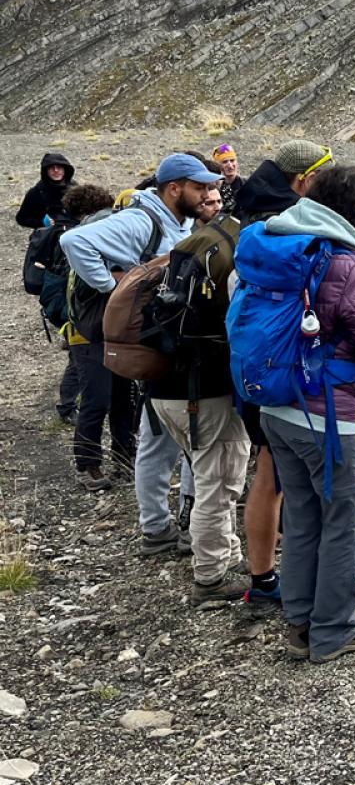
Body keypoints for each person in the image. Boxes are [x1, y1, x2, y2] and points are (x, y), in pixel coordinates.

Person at [256, 165, 355, 662]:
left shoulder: (275, 248)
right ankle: (334, 629)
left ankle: (299, 623)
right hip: (329, 417)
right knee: (342, 521)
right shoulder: (345, 263)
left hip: (276, 406)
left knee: (302, 515)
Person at [59, 155, 214, 491]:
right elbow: (73, 241)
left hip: (147, 332)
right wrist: (112, 286)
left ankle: (131, 467)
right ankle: (93, 467)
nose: (207, 193)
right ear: (174, 188)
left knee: (134, 406)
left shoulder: (180, 221)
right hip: (122, 332)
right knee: (108, 401)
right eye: (199, 187)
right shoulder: (141, 220)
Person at [232, 139, 334, 606]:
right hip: (288, 368)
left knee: (268, 473)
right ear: (305, 180)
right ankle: (284, 580)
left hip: (250, 366)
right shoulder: (293, 228)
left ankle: (264, 577)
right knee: (279, 479)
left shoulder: (247, 223)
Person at [149, 214, 252, 606]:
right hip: (203, 393)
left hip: (166, 390)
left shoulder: (194, 253)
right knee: (218, 484)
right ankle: (210, 578)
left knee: (208, 473)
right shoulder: (229, 256)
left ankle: (229, 556)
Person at [46, 184, 114, 425]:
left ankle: (66, 405)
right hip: (83, 320)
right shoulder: (81, 240)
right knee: (89, 382)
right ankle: (67, 409)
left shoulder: (75, 235)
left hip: (76, 318)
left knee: (78, 363)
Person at [16, 152, 76, 229]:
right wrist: (41, 222)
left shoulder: (74, 188)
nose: (56, 170)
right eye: (51, 168)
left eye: (59, 167)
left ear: (65, 170)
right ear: (45, 171)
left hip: (72, 230)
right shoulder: (36, 192)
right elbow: (21, 219)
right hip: (47, 234)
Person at [211, 143, 244, 216]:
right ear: (218, 165)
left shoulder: (246, 184)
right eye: (224, 162)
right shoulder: (214, 187)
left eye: (232, 160)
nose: (230, 165)